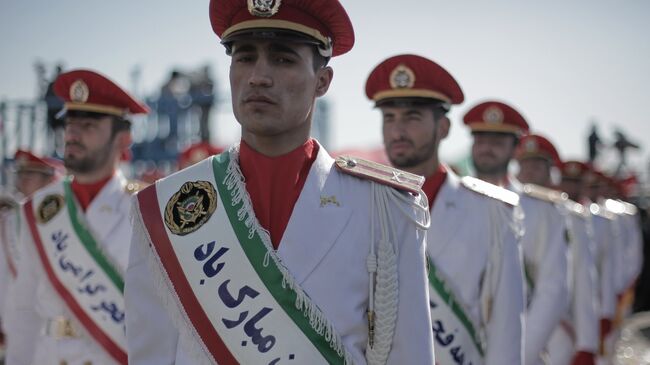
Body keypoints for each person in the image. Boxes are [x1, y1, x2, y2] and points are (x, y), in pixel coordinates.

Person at [125, 1, 435, 364]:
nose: (258, 76)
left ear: (323, 81)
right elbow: (151, 351)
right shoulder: (169, 206)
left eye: (283, 59)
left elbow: (409, 353)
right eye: (244, 58)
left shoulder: (383, 206)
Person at [365, 54, 525, 364]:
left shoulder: (490, 211)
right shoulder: (363, 202)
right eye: (389, 118)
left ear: (444, 127)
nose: (397, 131)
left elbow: (506, 325)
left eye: (412, 117)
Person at [7, 69, 149, 365]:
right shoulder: (39, 210)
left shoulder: (148, 208)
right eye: (70, 123)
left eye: (88, 125)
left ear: (123, 139)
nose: (72, 134)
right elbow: (24, 310)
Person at [464, 101, 570, 365]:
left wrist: (519, 353)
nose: (487, 148)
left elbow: (552, 288)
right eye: (481, 139)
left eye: (497, 141)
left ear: (514, 149)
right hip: (454, 343)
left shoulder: (542, 210)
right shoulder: (450, 200)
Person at [516, 136, 600, 365]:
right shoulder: (500, 205)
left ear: (550, 170)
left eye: (537, 165)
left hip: (558, 326)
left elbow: (583, 278)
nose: (530, 171)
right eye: (525, 164)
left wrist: (587, 342)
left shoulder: (568, 215)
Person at [0, 150, 64, 357]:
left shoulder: (61, 219)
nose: (23, 179)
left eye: (30, 174)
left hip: (55, 325)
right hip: (13, 317)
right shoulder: (9, 220)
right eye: (21, 173)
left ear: (49, 180)